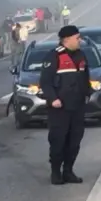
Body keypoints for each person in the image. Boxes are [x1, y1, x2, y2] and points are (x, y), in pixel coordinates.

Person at [40, 25, 92, 185]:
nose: (80, 40)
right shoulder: (53, 56)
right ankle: (56, 172)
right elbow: (45, 82)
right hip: (59, 108)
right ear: (67, 39)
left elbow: (85, 78)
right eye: (77, 38)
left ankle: (68, 171)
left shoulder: (81, 55)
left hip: (77, 106)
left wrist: (88, 93)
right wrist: (53, 99)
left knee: (74, 141)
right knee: (58, 140)